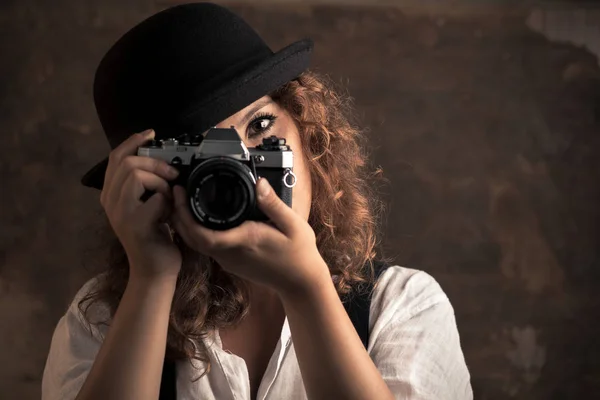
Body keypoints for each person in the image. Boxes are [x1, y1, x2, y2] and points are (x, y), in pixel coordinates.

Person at [41, 3, 473, 400]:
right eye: (200, 157)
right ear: (146, 177)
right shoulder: (101, 318)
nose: (239, 171)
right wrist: (151, 279)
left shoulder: (401, 306)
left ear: (306, 130)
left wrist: (307, 289)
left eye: (260, 126)